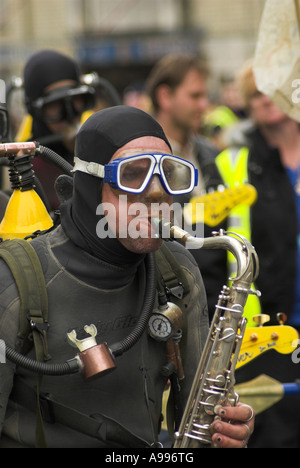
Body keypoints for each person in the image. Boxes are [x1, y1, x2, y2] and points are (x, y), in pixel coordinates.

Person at [0, 105, 254, 448]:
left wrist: (227, 431)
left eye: (168, 172)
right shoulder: (14, 283)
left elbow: (201, 424)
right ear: (90, 186)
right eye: (132, 174)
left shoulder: (176, 271)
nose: (156, 192)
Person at [215, 59, 300, 448]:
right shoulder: (233, 165)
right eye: (254, 93)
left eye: (271, 88)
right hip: (264, 334)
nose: (263, 99)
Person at [146, 53, 227, 317]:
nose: (205, 105)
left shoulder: (210, 154)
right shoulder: (139, 163)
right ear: (165, 97)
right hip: (165, 309)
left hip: (215, 303)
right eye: (195, 96)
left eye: (206, 96)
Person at [17, 49, 95, 211]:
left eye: (75, 100)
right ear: (35, 110)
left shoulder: (98, 152)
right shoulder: (23, 166)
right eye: (54, 105)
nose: (69, 115)